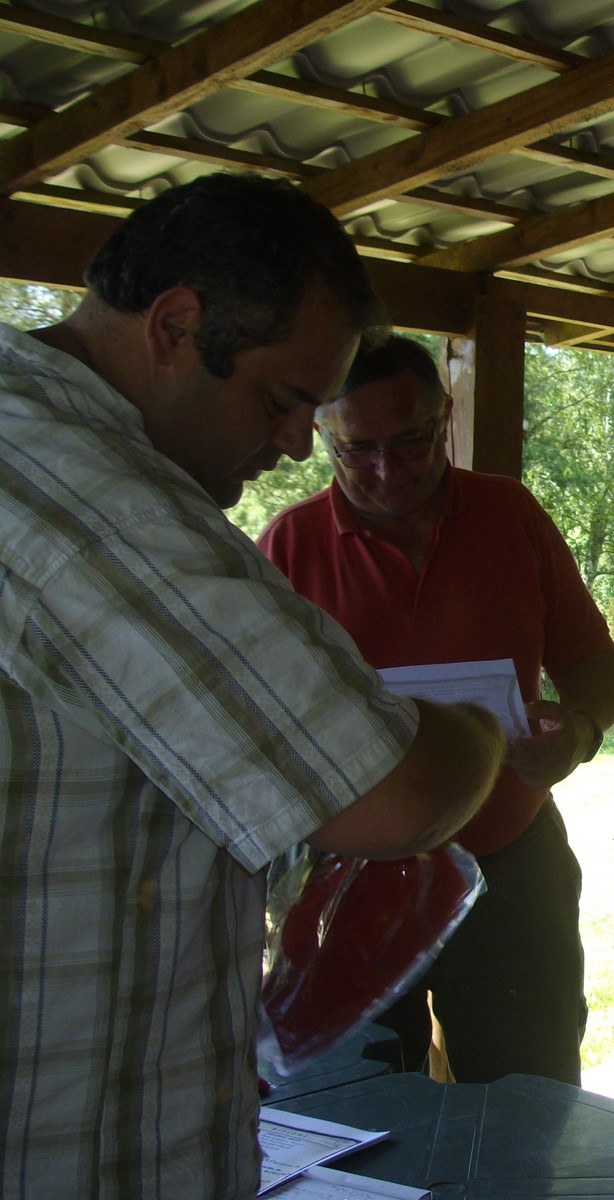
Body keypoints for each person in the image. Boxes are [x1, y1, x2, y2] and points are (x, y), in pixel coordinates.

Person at [0, 174, 512, 1199]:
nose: (295, 445)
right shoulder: (79, 492)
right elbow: (392, 794)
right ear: (175, 326)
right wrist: (478, 735)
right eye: (283, 402)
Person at [259, 334, 614, 1085]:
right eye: (357, 450)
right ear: (322, 433)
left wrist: (581, 731)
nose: (386, 470)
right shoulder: (290, 544)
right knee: (353, 1104)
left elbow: (592, 661)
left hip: (511, 861)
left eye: (411, 441)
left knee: (529, 1097)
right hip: (346, 877)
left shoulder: (509, 513)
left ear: (446, 416)